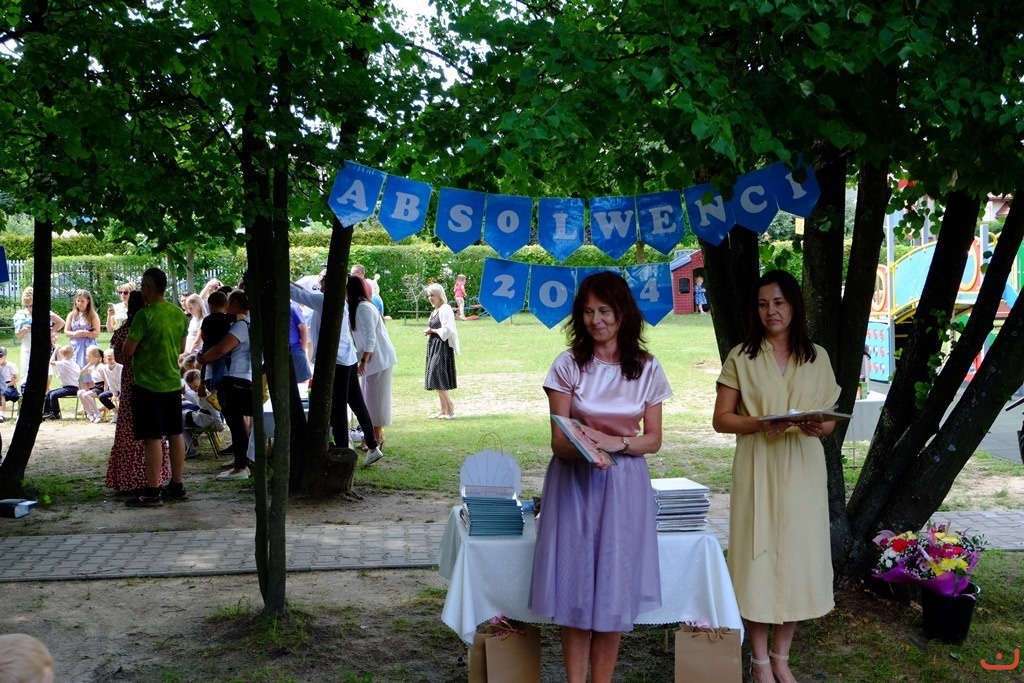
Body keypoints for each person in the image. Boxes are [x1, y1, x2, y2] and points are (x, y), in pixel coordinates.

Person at [529, 272, 671, 683]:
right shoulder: (567, 365)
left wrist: (615, 443)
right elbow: (559, 441)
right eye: (588, 311)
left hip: (625, 487)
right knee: (575, 592)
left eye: (605, 310)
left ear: (623, 313)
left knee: (613, 591)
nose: (596, 320)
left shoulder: (647, 368)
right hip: (574, 484)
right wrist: (589, 450)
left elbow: (654, 440)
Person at [711, 269, 840, 683]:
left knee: (799, 556)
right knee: (758, 557)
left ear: (794, 306)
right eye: (763, 304)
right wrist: (759, 423)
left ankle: (781, 657)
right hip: (758, 465)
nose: (771, 311)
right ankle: (760, 661)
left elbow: (829, 421)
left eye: (779, 303)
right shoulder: (741, 356)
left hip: (803, 466)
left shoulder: (817, 356)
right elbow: (721, 419)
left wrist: (819, 426)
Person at [291, 270, 383, 463]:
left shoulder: (325, 300)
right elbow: (303, 292)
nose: (320, 283)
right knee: (356, 403)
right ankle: (372, 445)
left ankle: (342, 449)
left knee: (338, 408)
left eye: (323, 280)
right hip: (347, 359)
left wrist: (281, 280)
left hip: (339, 361)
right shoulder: (337, 300)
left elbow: (298, 295)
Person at [121, 267, 189, 507]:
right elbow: (182, 348)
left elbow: (127, 351)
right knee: (175, 433)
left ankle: (152, 491)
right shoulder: (178, 314)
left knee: (152, 437)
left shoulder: (144, 316)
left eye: (143, 286)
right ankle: (177, 485)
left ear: (148, 288)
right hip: (172, 383)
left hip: (148, 386)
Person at [106, 291, 170, 493]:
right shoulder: (151, 326)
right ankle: (153, 477)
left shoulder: (122, 331)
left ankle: (128, 478)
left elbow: (119, 357)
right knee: (152, 428)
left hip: (129, 380)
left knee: (128, 426)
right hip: (149, 379)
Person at [197, 289, 253, 479]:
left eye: (229, 303)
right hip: (242, 377)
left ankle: (240, 467)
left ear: (235, 304)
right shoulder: (248, 324)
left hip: (233, 379)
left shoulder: (240, 326)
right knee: (238, 424)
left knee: (236, 425)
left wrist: (204, 358)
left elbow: (221, 348)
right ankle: (242, 463)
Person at [347, 275, 397, 465]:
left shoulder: (364, 308)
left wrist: (364, 360)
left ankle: (377, 436)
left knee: (376, 399)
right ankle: (372, 436)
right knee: (369, 398)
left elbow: (370, 338)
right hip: (370, 360)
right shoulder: (356, 307)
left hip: (378, 360)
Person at [13, 287, 65, 392]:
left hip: (41, 347)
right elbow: (17, 335)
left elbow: (61, 322)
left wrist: (49, 333)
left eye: (31, 306)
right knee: (26, 374)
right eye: (26, 306)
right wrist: (23, 330)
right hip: (27, 348)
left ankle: (45, 396)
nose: (29, 309)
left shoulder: (43, 312)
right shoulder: (21, 315)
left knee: (45, 374)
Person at [423, 283, 459, 419]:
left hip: (442, 347)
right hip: (434, 346)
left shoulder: (445, 309)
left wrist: (432, 330)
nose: (430, 298)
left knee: (436, 374)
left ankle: (450, 406)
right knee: (436, 377)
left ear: (439, 296)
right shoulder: (435, 311)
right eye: (429, 295)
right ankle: (443, 410)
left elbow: (447, 330)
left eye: (432, 295)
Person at [199, 290, 234, 400]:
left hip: (207, 346)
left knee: (203, 365)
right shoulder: (227, 318)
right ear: (226, 306)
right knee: (218, 370)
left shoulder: (207, 319)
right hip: (219, 347)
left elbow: (202, 334)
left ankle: (201, 384)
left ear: (210, 306)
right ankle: (214, 393)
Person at [64, 289, 101, 367]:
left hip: (88, 346)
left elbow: (96, 333)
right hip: (75, 345)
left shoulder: (93, 315)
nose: (79, 303)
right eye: (78, 301)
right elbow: (66, 332)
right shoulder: (71, 315)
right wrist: (75, 333)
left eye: (82, 301)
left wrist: (84, 333)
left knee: (87, 368)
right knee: (74, 368)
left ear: (88, 301)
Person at [42, 345, 80, 420]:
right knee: (49, 393)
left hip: (71, 388)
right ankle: (47, 412)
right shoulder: (74, 363)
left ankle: (55, 413)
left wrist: (55, 350)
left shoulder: (64, 363)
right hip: (71, 387)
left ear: (62, 355)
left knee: (53, 394)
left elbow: (50, 361)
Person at [76, 345, 105, 422]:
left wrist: (105, 390)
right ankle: (90, 413)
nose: (86, 358)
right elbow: (82, 372)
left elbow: (106, 380)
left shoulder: (101, 367)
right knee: (80, 392)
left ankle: (98, 413)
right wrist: (90, 363)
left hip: (101, 387)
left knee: (86, 395)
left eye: (88, 356)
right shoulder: (93, 367)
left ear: (96, 357)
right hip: (96, 387)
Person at [288, 302, 312, 384]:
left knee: (302, 382)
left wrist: (302, 350)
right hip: (279, 353)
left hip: (295, 351)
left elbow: (304, 330)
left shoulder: (293, 309)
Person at [98, 348, 122, 423]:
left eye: (114, 358)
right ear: (105, 360)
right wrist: (114, 394)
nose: (112, 361)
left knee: (122, 397)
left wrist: (119, 395)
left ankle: (123, 415)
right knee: (102, 396)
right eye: (109, 359)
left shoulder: (121, 367)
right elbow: (110, 382)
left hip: (123, 389)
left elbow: (121, 382)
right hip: (114, 389)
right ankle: (116, 412)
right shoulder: (105, 368)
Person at [0, 346, 19, 421]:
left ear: (4, 356)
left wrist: (6, 385)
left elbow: (16, 378)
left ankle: (1, 415)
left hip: (9, 386)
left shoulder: (10, 365)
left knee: (1, 393)